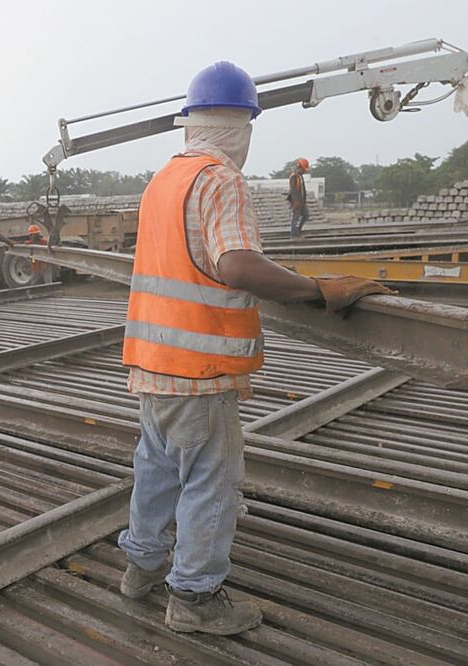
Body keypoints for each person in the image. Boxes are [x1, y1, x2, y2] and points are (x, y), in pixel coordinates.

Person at [117, 61, 393, 636]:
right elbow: (236, 264)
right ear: (243, 124)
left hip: (151, 366)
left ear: (190, 122)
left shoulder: (163, 178)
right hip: (202, 370)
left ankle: (140, 568)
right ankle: (193, 598)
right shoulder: (220, 179)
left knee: (157, 472)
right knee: (210, 484)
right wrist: (317, 290)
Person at [287, 157, 310, 236]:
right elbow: (293, 191)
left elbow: (302, 190)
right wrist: (296, 202)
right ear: (299, 167)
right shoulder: (294, 176)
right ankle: (294, 234)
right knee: (295, 218)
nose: (304, 171)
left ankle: (297, 230)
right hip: (296, 202)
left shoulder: (300, 176)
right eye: (303, 169)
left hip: (302, 202)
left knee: (306, 215)